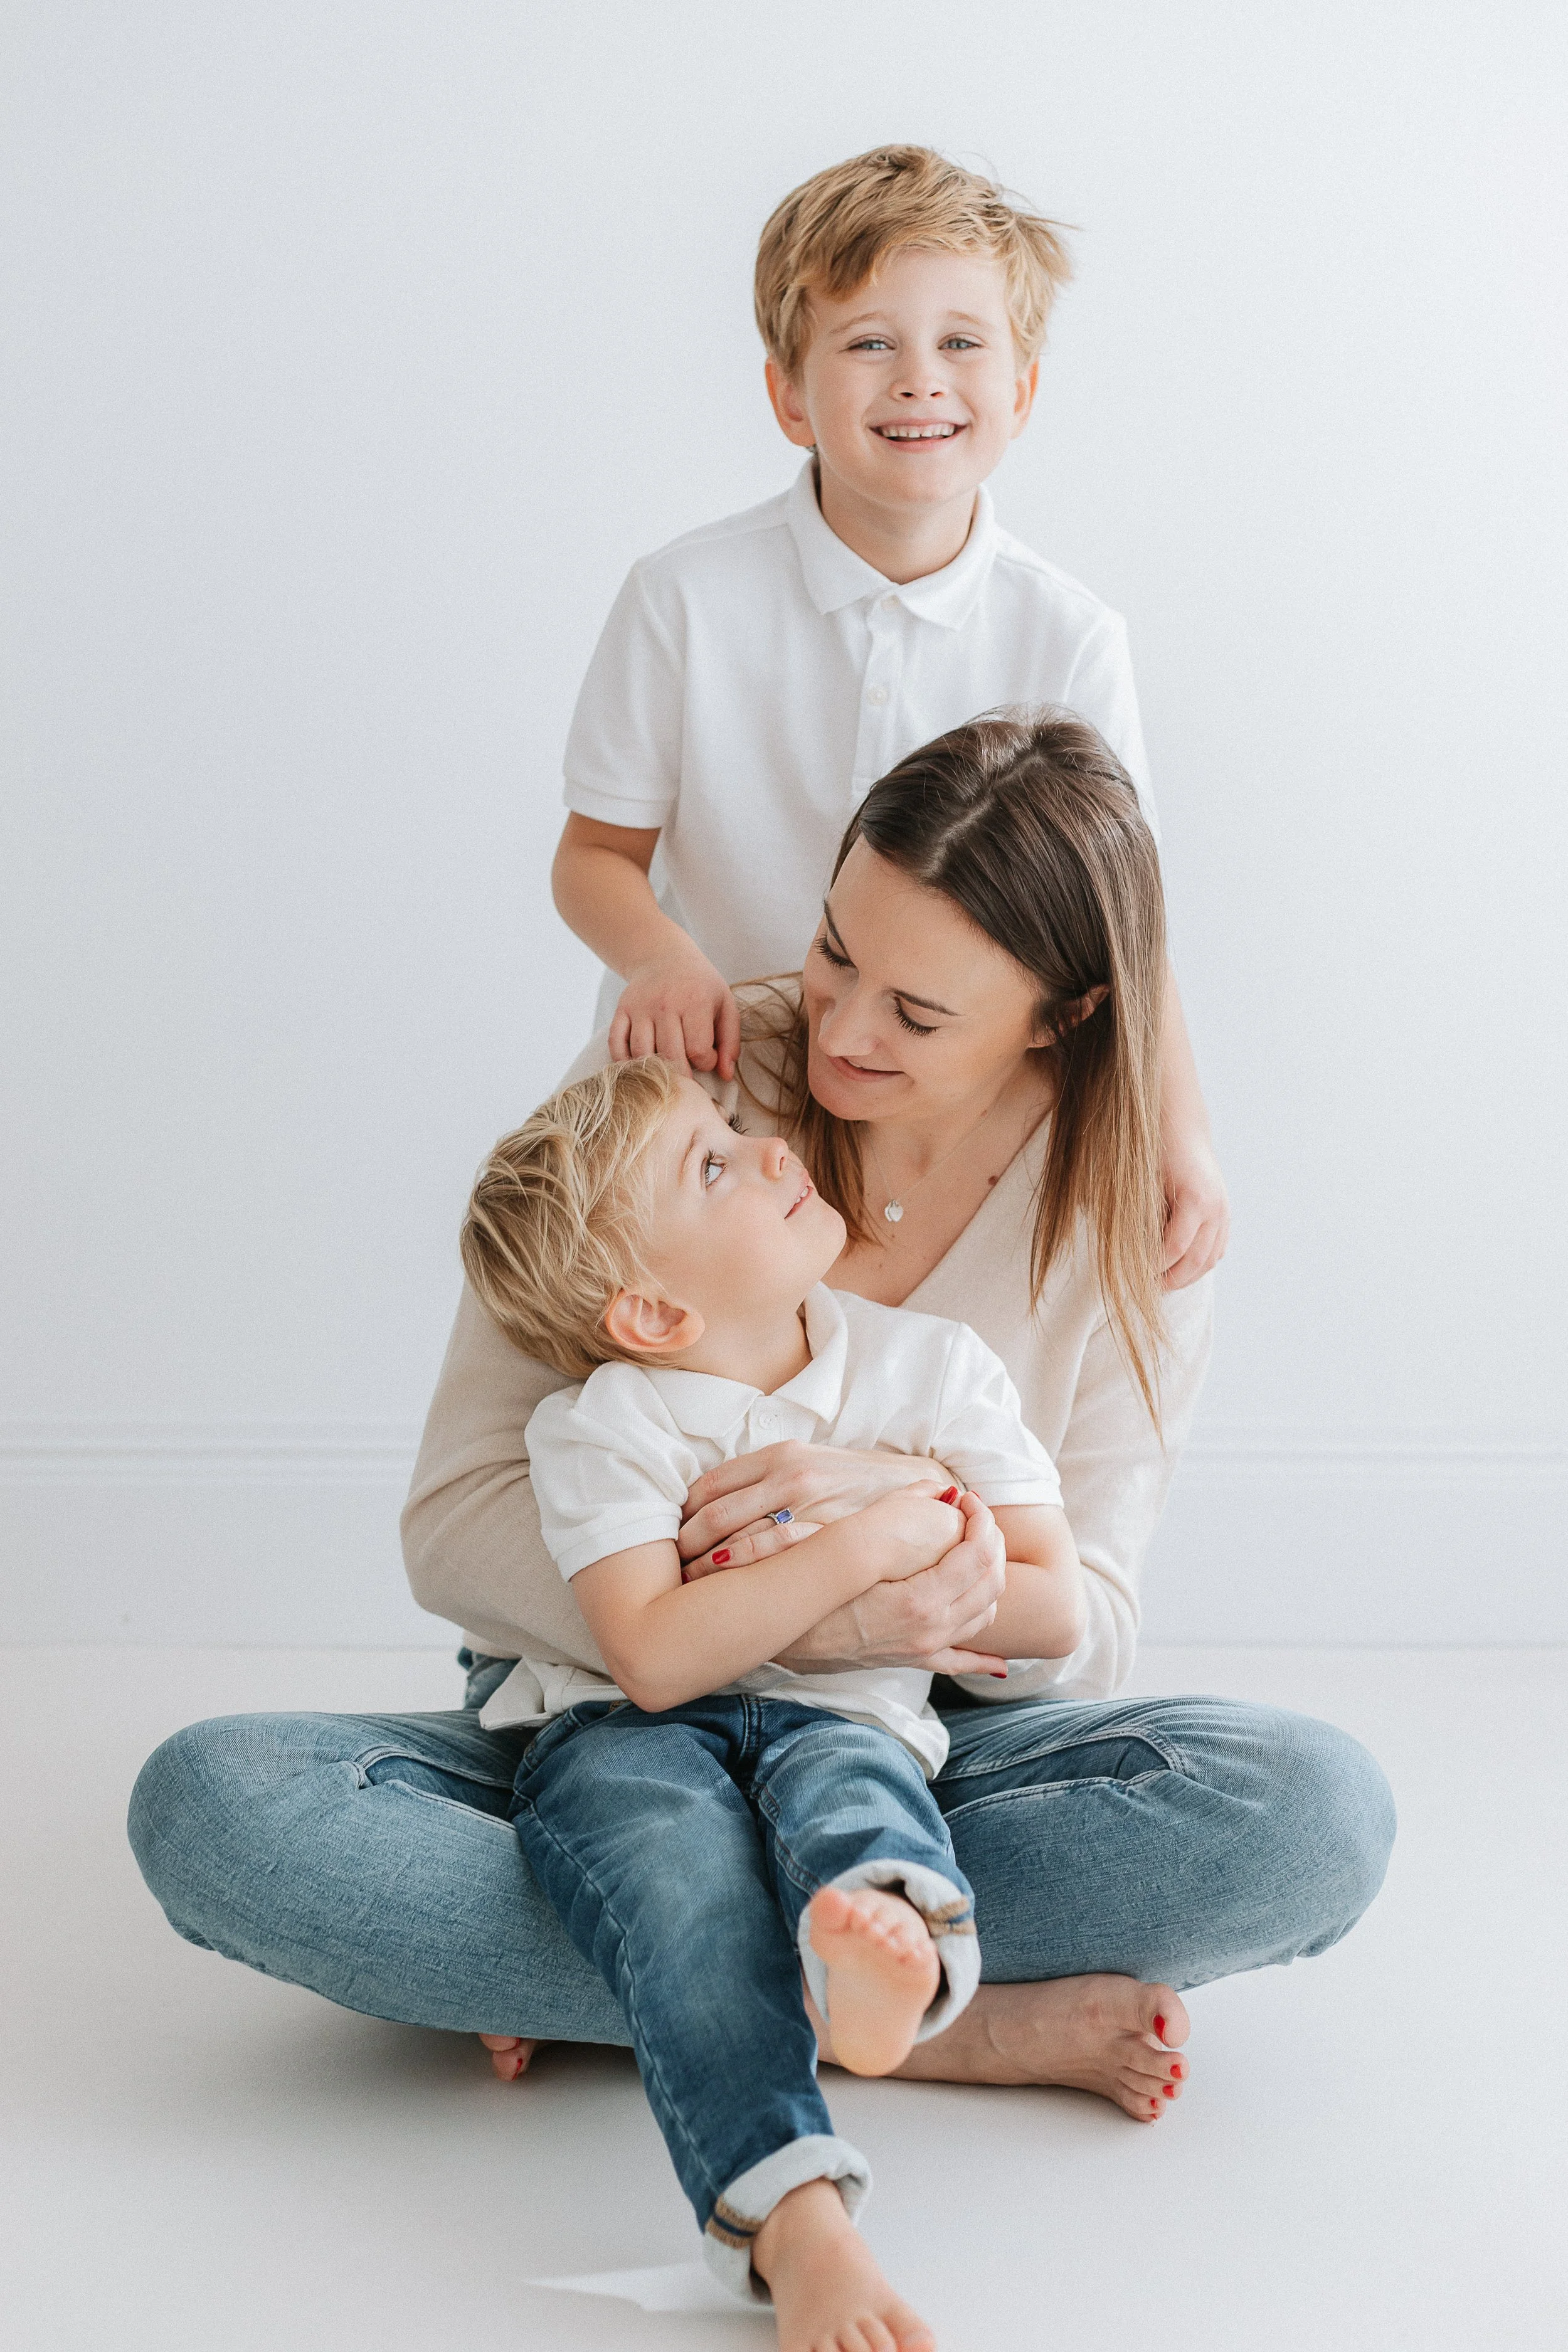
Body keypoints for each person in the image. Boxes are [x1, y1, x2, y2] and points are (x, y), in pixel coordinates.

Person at [128, 716, 1394, 2307]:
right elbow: (457, 1520)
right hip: (599, 1697)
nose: (839, 1031)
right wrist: (795, 1598)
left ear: (1060, 1016)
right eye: (831, 949)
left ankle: (698, 1986)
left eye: (918, 1011)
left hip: (909, 1729)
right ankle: (943, 2014)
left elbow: (1085, 1620)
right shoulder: (686, 1094)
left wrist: (894, 1547)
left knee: (1312, 1814)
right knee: (213, 1809)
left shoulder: (1131, 1207)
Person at [462, 1051, 1084, 2342]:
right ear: (650, 1314)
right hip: (623, 1735)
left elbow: (1053, 1614)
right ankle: (800, 2223)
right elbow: (652, 1657)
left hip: (846, 1714)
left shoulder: (930, 1370)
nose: (767, 1150)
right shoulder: (604, 1423)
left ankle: (876, 1963)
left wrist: (903, 1502)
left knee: (858, 1793)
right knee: (673, 1870)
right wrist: (870, 1540)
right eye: (710, 1163)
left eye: (732, 1128)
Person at [549, 141, 1229, 1290]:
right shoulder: (684, 597)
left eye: (962, 343)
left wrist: (1183, 1133)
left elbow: (1126, 930)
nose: (920, 379)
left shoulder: (1069, 635)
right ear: (788, 394)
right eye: (870, 343)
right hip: (715, 1092)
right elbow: (593, 856)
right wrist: (664, 962)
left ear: (1021, 388)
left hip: (954, 1108)